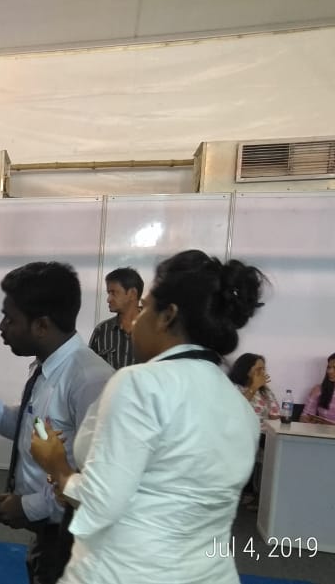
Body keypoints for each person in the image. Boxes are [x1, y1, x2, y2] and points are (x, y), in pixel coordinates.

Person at [30, 249, 266, 584]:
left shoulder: (140, 383)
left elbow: (100, 502)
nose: (135, 321)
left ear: (167, 316)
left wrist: (57, 466)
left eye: (144, 308)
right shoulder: (240, 406)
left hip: (126, 571)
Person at [0, 262, 112, 584]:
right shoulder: (46, 368)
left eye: (10, 319)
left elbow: (97, 478)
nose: (1, 327)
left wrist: (29, 506)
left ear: (41, 325)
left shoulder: (89, 380)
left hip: (73, 539)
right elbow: (28, 428)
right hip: (46, 534)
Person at [228, 353, 278, 508]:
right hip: (241, 432)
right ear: (246, 370)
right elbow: (233, 409)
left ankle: (263, 495)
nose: (262, 373)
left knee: (276, 447)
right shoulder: (232, 387)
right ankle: (249, 491)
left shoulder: (266, 392)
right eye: (258, 369)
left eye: (264, 369)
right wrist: (253, 387)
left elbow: (275, 415)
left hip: (264, 433)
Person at [88, 267, 143, 370]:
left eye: (113, 293)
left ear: (132, 293)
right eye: (108, 293)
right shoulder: (102, 330)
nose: (108, 299)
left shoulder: (154, 329)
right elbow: (89, 369)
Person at [302, 352, 335, 424]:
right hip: (321, 430)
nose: (330, 371)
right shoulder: (319, 389)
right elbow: (304, 416)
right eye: (329, 367)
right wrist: (308, 421)